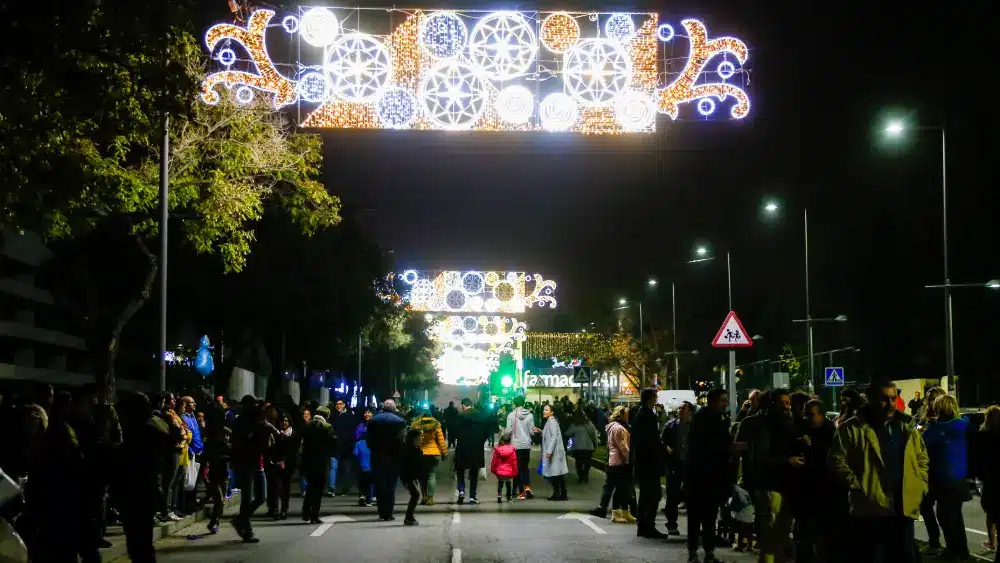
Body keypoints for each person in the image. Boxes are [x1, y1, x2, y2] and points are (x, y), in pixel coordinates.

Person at [828, 381, 928, 563]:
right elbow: (837, 461)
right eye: (884, 399)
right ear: (871, 400)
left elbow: (921, 458)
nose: (890, 403)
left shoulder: (906, 425)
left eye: (893, 398)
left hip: (903, 508)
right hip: (871, 510)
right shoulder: (852, 428)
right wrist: (859, 485)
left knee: (905, 557)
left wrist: (920, 485)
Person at [686, 388, 734, 563]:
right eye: (723, 400)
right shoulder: (717, 419)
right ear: (714, 401)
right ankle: (707, 552)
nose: (725, 403)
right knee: (708, 517)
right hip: (711, 475)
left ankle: (694, 552)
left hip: (696, 475)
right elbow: (724, 446)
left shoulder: (698, 418)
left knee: (696, 516)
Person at [921, 393, 971, 560]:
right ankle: (961, 551)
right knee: (955, 516)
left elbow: (924, 443)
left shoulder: (936, 428)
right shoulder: (963, 425)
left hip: (942, 477)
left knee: (945, 516)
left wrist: (928, 425)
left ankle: (954, 550)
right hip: (959, 476)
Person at [753, 388, 799, 563]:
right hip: (770, 485)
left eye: (788, 403)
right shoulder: (765, 424)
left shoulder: (785, 422)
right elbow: (762, 456)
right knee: (770, 536)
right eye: (783, 403)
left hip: (784, 485)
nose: (787, 407)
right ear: (773, 404)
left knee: (779, 534)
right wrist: (788, 460)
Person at [230, 396, 276, 542]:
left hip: (258, 463)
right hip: (245, 464)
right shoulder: (243, 422)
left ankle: (240, 520)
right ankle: (247, 530)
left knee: (261, 497)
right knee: (247, 497)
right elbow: (238, 442)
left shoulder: (259, 422)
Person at [633, 388, 668, 538]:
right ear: (650, 399)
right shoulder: (648, 416)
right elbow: (652, 440)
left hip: (643, 462)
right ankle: (648, 526)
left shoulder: (640, 414)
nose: (656, 401)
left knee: (646, 496)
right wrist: (663, 449)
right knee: (652, 496)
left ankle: (643, 525)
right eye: (655, 397)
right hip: (649, 463)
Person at [367, 400, 406, 521]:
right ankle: (389, 512)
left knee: (379, 484)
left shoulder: (373, 420)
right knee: (391, 485)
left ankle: (381, 511)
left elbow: (368, 439)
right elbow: (402, 441)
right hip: (393, 457)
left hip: (377, 456)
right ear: (394, 408)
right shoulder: (399, 421)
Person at [662, 401, 694, 535]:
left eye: (683, 408)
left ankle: (694, 525)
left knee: (691, 494)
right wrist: (668, 451)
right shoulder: (670, 425)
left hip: (690, 464)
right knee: (672, 494)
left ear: (690, 412)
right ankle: (671, 523)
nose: (680, 410)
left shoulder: (694, 426)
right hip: (674, 464)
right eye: (680, 408)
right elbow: (663, 441)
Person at [300, 406, 336, 524]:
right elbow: (332, 443)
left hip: (308, 461)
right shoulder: (327, 427)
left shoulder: (307, 425)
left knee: (310, 487)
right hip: (321, 462)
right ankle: (314, 515)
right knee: (319, 490)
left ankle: (305, 511)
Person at [453, 398, 492, 504]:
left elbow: (455, 432)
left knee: (460, 471)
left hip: (462, 447)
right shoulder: (481, 416)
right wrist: (480, 441)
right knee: (474, 473)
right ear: (472, 405)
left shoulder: (460, 416)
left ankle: (461, 491)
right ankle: (472, 496)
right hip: (476, 448)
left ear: (463, 405)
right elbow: (486, 432)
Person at [505, 396, 541, 499]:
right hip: (526, 445)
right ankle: (527, 488)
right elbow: (531, 431)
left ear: (514, 404)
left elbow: (508, 431)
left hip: (515, 445)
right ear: (523, 403)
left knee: (516, 469)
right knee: (525, 468)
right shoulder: (530, 415)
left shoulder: (511, 415)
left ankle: (516, 491)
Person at [413, 409, 448, 505]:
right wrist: (444, 453)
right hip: (434, 453)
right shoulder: (436, 425)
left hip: (420, 454)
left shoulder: (416, 425)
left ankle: (424, 497)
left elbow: (413, 441)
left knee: (421, 477)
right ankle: (430, 498)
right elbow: (441, 441)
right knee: (431, 475)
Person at [979, 405, 1000, 552]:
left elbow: (980, 459)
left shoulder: (983, 435)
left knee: (991, 512)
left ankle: (992, 542)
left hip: (990, 479)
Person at [541, 404, 569, 500]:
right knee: (558, 474)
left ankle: (557, 494)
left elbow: (554, 437)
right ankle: (562, 494)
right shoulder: (550, 421)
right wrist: (541, 431)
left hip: (554, 452)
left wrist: (549, 451)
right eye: (544, 410)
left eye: (546, 410)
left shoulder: (551, 421)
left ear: (552, 412)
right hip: (555, 451)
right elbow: (551, 434)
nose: (544, 411)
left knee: (555, 474)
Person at [328, 398, 356, 496]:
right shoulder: (332, 416)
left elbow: (352, 431)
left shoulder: (350, 416)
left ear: (344, 405)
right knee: (333, 467)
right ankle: (331, 488)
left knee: (345, 469)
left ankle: (345, 488)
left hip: (346, 447)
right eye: (337, 404)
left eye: (340, 404)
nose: (338, 406)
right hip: (334, 446)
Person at [565, 410, 599, 484]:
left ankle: (580, 477)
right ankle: (586, 476)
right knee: (587, 463)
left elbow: (567, 433)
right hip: (588, 447)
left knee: (578, 463)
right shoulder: (590, 424)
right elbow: (594, 435)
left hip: (578, 447)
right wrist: (596, 444)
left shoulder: (575, 425)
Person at [400, 429, 424, 525]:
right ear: (414, 438)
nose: (421, 438)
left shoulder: (417, 449)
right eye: (420, 437)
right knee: (416, 494)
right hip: (408, 476)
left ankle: (410, 516)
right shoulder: (407, 450)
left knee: (415, 495)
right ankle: (409, 517)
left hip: (413, 477)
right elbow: (406, 465)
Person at [491, 433, 519, 502]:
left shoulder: (498, 450)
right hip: (509, 472)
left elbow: (494, 461)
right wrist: (515, 472)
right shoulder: (512, 450)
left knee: (500, 483)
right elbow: (514, 462)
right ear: (510, 441)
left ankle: (499, 496)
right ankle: (509, 498)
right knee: (508, 484)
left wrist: (494, 470)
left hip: (499, 471)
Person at [354, 430, 373, 506]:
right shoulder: (373, 444)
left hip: (361, 466)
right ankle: (368, 500)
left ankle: (361, 495)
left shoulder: (358, 443)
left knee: (361, 483)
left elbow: (355, 454)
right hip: (371, 467)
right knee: (370, 484)